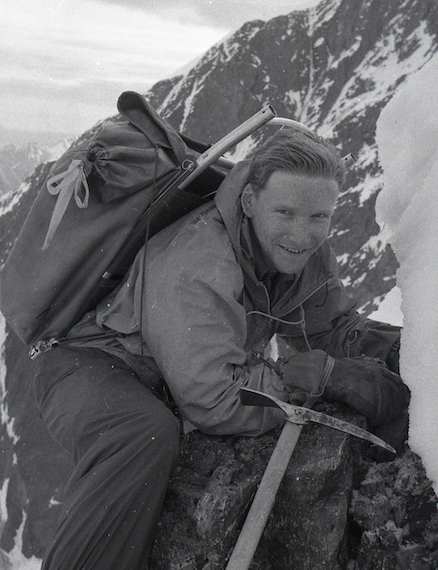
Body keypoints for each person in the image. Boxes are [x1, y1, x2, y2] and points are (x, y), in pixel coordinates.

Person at [33, 127, 410, 570]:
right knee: (141, 434)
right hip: (92, 365)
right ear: (249, 202)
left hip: (175, 372)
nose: (302, 234)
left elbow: (335, 328)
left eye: (318, 217)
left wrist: (421, 352)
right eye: (285, 212)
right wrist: (315, 379)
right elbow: (214, 400)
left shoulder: (302, 254)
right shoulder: (198, 261)